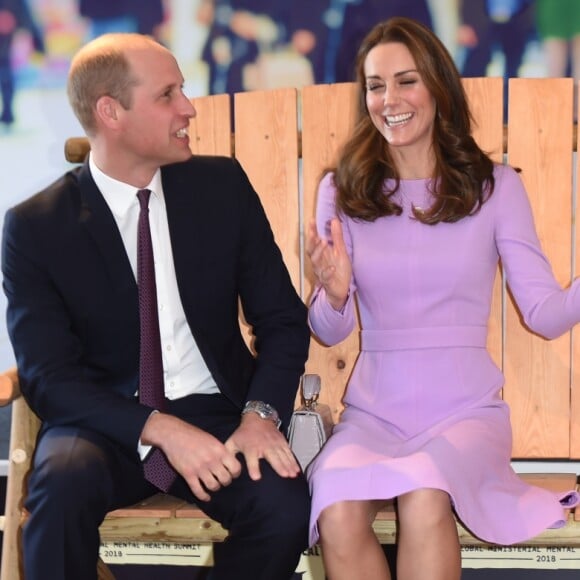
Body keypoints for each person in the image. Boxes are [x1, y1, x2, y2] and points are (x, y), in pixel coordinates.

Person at [1, 33, 311, 580]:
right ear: (110, 112)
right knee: (60, 490)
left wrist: (261, 416)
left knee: (282, 505)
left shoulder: (222, 187)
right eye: (168, 95)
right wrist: (157, 428)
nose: (189, 108)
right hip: (103, 421)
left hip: (219, 414)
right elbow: (49, 379)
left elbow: (283, 320)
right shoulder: (35, 227)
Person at [305, 17, 579, 580]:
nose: (389, 100)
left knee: (426, 490)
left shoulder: (496, 187)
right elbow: (330, 330)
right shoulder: (342, 191)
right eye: (376, 85)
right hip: (372, 414)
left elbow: (546, 316)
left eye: (406, 81)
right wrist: (334, 294)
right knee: (334, 509)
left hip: (465, 413)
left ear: (437, 87)